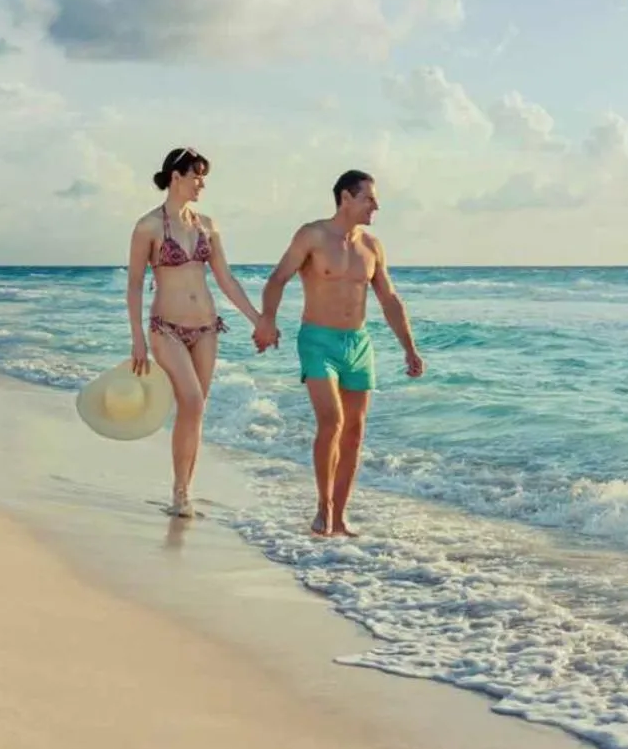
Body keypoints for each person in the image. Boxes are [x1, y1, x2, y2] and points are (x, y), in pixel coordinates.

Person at [257, 170, 424, 537]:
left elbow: (389, 299)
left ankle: (339, 517)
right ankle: (323, 506)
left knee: (355, 431)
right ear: (346, 198)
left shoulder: (372, 246)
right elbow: (277, 279)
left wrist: (409, 348)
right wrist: (267, 320)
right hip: (318, 340)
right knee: (331, 421)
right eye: (369, 198)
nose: (376, 205)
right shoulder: (312, 235)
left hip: (358, 343)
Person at [125, 147, 269, 518]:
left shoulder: (207, 224)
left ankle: (185, 490)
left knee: (196, 410)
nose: (202, 183)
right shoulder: (148, 227)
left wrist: (259, 319)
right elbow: (136, 285)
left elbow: (226, 279)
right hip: (165, 329)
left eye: (204, 176)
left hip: (206, 328)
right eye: (196, 175)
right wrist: (138, 338)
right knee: (191, 401)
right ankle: (178, 493)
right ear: (176, 177)